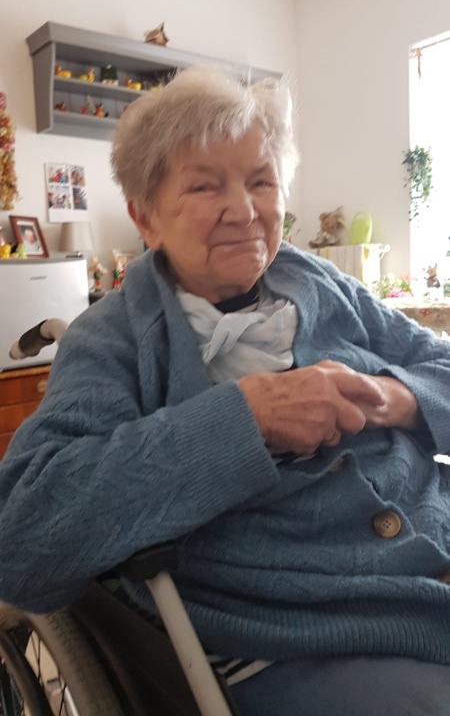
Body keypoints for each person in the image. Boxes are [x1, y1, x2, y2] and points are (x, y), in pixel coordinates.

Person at [0, 66, 450, 716]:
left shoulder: (318, 280)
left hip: (432, 538)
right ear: (146, 217)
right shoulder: (112, 340)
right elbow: (22, 539)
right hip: (304, 630)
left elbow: (438, 363)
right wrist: (247, 420)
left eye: (261, 181)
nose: (243, 209)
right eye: (204, 185)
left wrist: (396, 396)